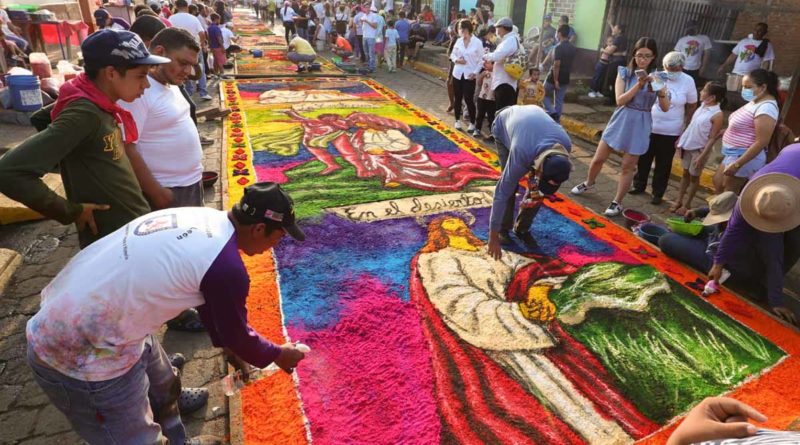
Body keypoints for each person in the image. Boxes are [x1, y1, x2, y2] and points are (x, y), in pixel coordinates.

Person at [25, 182, 308, 445]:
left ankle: (175, 430)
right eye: (279, 238)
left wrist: (229, 349)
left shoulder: (204, 219)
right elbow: (237, 332)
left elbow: (208, 299)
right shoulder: (226, 268)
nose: (276, 246)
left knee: (163, 381)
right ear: (259, 229)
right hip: (80, 351)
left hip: (91, 312)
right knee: (134, 438)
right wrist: (277, 354)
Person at [0, 30, 166, 248]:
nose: (145, 85)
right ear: (111, 73)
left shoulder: (96, 102)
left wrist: (73, 157)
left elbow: (41, 118)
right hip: (113, 240)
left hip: (129, 228)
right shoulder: (85, 113)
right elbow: (8, 171)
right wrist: (70, 211)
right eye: (141, 76)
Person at [571, 37, 670, 217]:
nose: (643, 59)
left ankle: (617, 202)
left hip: (641, 121)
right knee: (598, 158)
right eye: (639, 55)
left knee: (628, 166)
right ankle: (589, 182)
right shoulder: (625, 72)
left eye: (647, 56)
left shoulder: (658, 77)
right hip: (622, 117)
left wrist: (661, 92)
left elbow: (665, 108)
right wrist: (638, 86)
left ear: (653, 57)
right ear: (634, 54)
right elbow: (620, 100)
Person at [709, 144, 800, 325]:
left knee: (792, 243)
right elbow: (732, 233)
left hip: (789, 194)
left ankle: (766, 286)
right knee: (773, 248)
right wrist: (717, 264)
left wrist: (775, 301)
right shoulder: (751, 200)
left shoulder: (782, 203)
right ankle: (764, 285)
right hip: (778, 185)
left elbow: (775, 257)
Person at [120, 27, 205, 212]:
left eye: (192, 64)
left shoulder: (170, 83)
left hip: (189, 183)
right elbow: (126, 146)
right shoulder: (139, 92)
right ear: (160, 52)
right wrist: (156, 191)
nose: (188, 71)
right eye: (183, 63)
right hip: (168, 190)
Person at [488, 105, 573, 256]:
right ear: (539, 169)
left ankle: (522, 228)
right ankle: (503, 228)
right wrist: (493, 237)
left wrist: (537, 191)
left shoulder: (565, 146)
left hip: (532, 130)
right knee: (510, 185)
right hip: (504, 125)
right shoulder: (521, 152)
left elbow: (541, 183)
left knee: (537, 192)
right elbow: (501, 193)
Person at [632, 51, 698, 205]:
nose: (670, 73)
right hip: (650, 126)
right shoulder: (658, 75)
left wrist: (686, 125)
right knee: (644, 158)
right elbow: (648, 96)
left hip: (671, 130)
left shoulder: (688, 81)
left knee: (664, 163)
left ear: (682, 67)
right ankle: (639, 185)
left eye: (674, 69)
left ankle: (658, 192)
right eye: (668, 69)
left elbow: (692, 104)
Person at [715, 69, 779, 194]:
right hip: (733, 154)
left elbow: (762, 141)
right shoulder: (755, 101)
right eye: (743, 87)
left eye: (748, 87)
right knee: (718, 183)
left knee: (727, 195)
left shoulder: (766, 107)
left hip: (744, 158)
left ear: (763, 87)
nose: (744, 90)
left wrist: (738, 164)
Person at [671, 82, 725, 214]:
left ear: (712, 97)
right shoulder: (702, 107)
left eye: (704, 90)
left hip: (700, 150)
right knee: (685, 173)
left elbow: (712, 138)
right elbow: (691, 126)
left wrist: (702, 156)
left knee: (694, 177)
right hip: (688, 146)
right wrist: (681, 138)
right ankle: (679, 200)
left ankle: (687, 204)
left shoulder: (717, 114)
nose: (700, 92)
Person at [659, 191, 736, 277]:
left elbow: (722, 252)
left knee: (665, 240)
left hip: (719, 261)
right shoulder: (740, 210)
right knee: (679, 231)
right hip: (716, 239)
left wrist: (717, 267)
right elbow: (720, 209)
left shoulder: (739, 232)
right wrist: (698, 212)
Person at [170, 0, 212, 101]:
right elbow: (202, 34)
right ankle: (203, 92)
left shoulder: (171, 18)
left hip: (178, 49)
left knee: (184, 69)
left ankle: (189, 91)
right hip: (194, 48)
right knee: (200, 69)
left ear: (176, 6)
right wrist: (201, 45)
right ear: (187, 7)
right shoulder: (193, 18)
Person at [450, 19, 482, 132]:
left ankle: (473, 123)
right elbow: (452, 54)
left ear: (467, 30)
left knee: (469, 99)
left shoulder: (477, 42)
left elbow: (481, 60)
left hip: (470, 75)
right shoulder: (458, 41)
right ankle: (457, 120)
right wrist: (457, 60)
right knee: (457, 97)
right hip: (457, 74)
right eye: (459, 29)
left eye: (461, 29)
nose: (460, 31)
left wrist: (476, 72)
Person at [483, 17, 519, 111]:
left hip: (505, 82)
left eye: (497, 28)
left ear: (503, 28)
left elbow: (497, 56)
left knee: (502, 113)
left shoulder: (510, 40)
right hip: (505, 81)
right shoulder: (510, 39)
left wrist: (485, 56)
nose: (497, 31)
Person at [542, 24, 576, 123]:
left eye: (557, 32)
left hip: (554, 76)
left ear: (560, 33)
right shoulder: (572, 47)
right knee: (559, 100)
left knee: (542, 94)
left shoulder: (559, 47)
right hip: (566, 77)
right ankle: (556, 122)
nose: (556, 34)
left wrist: (556, 80)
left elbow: (557, 64)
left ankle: (553, 113)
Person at [674, 19, 711, 84]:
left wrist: (703, 67)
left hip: (696, 69)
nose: (690, 29)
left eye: (693, 27)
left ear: (697, 28)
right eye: (689, 28)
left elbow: (707, 54)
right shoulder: (682, 40)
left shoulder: (704, 38)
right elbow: (675, 55)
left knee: (692, 85)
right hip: (683, 68)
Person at [474, 61, 495, 140]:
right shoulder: (484, 72)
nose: (485, 64)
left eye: (488, 63)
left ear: (493, 64)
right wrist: (482, 76)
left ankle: (492, 133)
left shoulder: (497, 74)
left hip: (492, 99)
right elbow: (479, 83)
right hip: (482, 97)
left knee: (491, 116)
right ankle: (477, 129)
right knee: (480, 114)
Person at [361, 6, 380, 72]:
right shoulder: (364, 15)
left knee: (371, 53)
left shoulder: (374, 16)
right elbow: (362, 24)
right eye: (365, 8)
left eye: (368, 8)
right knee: (366, 52)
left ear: (370, 9)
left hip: (371, 37)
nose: (367, 9)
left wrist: (367, 21)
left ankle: (372, 67)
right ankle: (369, 65)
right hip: (364, 36)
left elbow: (375, 26)